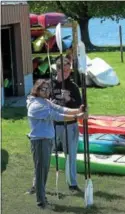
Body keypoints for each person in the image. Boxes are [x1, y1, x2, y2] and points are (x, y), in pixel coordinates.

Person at [26, 79, 85, 209]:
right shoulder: (35, 105)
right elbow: (56, 116)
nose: (47, 91)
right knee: (41, 171)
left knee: (44, 170)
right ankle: (41, 201)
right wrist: (78, 117)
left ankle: (42, 197)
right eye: (43, 89)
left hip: (46, 140)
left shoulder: (45, 101)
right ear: (37, 90)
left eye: (48, 88)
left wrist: (77, 110)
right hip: (40, 141)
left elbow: (60, 108)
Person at [51, 57, 83, 192]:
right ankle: (38, 184)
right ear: (57, 69)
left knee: (70, 155)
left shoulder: (73, 86)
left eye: (68, 70)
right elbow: (39, 102)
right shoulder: (49, 84)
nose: (67, 73)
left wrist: (69, 99)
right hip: (52, 124)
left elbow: (80, 106)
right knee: (44, 154)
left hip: (69, 125)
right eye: (64, 70)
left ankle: (72, 183)